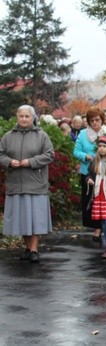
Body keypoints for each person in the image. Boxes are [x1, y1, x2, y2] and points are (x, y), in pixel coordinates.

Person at [0, 105, 54, 263]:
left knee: (35, 218)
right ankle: (27, 247)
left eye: (27, 116)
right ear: (17, 117)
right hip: (16, 183)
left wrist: (30, 162)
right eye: (21, 116)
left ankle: (34, 249)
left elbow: (49, 155)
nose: (24, 119)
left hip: (35, 183)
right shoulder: (8, 136)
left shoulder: (41, 135)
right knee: (22, 217)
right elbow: (1, 154)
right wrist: (10, 162)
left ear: (33, 118)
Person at [74, 107, 106, 242]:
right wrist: (86, 156)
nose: (95, 122)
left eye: (97, 120)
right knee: (92, 202)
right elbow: (76, 152)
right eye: (92, 120)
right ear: (88, 122)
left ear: (102, 120)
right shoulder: (83, 134)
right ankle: (97, 227)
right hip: (89, 173)